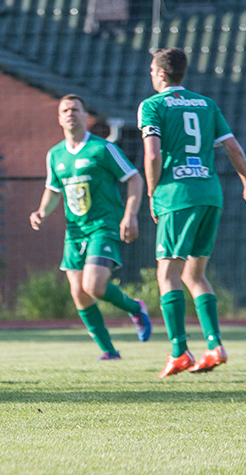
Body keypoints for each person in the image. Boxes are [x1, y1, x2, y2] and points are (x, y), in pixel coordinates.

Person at [139, 48, 246, 377]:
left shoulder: (152, 106)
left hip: (177, 195)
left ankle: (179, 351)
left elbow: (152, 154)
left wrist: (152, 192)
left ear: (162, 74)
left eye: (152, 69)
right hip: (210, 194)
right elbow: (233, 146)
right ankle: (214, 345)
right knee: (194, 275)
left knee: (167, 275)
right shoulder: (206, 104)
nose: (150, 74)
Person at [30, 94, 151, 360]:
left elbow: (134, 179)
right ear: (59, 118)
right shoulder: (55, 155)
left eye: (76, 109)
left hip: (103, 226)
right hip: (74, 232)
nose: (70, 113)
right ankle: (109, 351)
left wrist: (129, 215)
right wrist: (41, 212)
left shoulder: (102, 149)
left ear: (86, 116)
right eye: (65, 110)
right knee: (79, 294)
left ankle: (134, 307)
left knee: (94, 286)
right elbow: (53, 191)